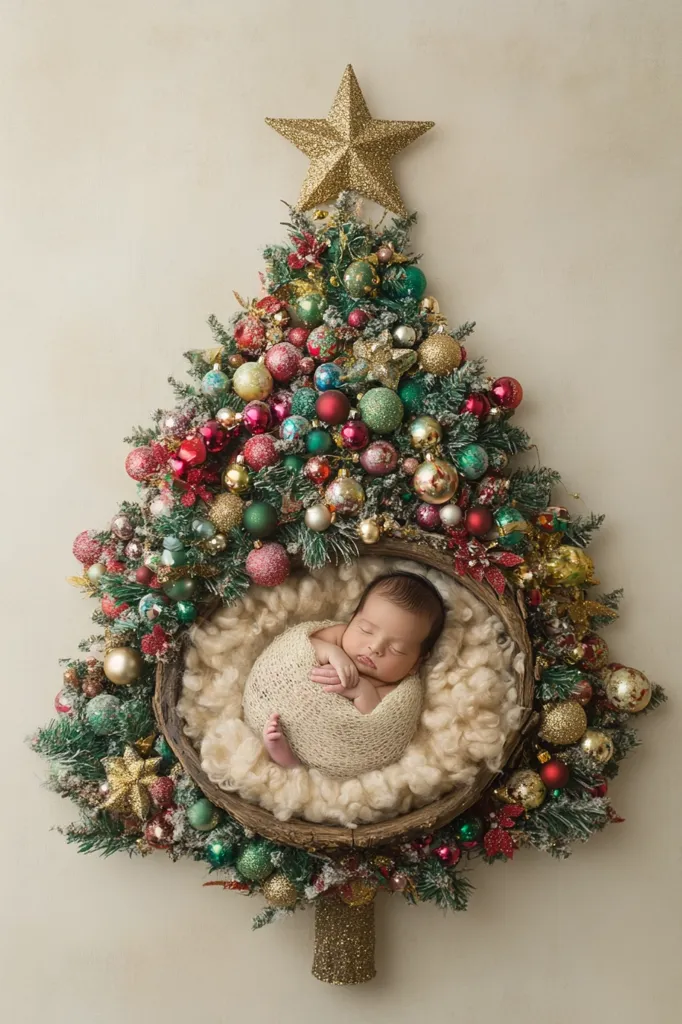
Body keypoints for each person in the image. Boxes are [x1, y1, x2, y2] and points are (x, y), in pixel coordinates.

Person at [263, 571, 446, 767]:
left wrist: (363, 690)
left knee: (325, 759)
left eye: (396, 649)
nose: (375, 647)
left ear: (415, 664)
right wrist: (332, 653)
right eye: (366, 630)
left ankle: (292, 763)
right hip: (288, 703)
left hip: (332, 746)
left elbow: (378, 729)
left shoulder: (396, 689)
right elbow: (301, 646)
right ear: (351, 620)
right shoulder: (338, 636)